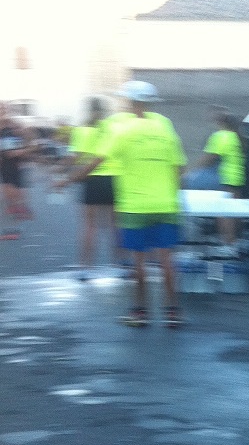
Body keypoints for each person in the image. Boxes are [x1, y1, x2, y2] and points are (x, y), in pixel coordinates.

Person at [59, 81, 187, 327]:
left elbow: (96, 162)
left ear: (129, 102)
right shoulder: (165, 127)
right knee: (167, 260)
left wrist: (68, 179)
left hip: (135, 205)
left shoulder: (123, 129)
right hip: (167, 203)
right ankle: (174, 313)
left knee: (139, 261)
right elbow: (179, 170)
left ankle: (140, 313)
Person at [69, 97, 117, 277]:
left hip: (92, 178)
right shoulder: (112, 129)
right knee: (115, 225)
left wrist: (64, 173)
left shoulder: (82, 130)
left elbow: (75, 156)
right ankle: (119, 265)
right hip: (113, 177)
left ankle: (85, 268)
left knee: (90, 226)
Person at [196, 109, 246, 245]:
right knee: (234, 211)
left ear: (220, 123)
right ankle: (235, 242)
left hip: (225, 178)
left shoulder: (221, 136)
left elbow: (209, 157)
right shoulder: (235, 136)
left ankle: (229, 242)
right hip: (237, 177)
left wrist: (192, 170)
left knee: (223, 212)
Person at [0, 104, 33, 240]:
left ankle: (12, 231)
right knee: (10, 201)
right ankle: (12, 230)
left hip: (11, 168)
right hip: (7, 168)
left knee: (13, 201)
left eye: (3, 110)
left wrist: (29, 149)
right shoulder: (6, 129)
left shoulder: (8, 129)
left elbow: (12, 153)